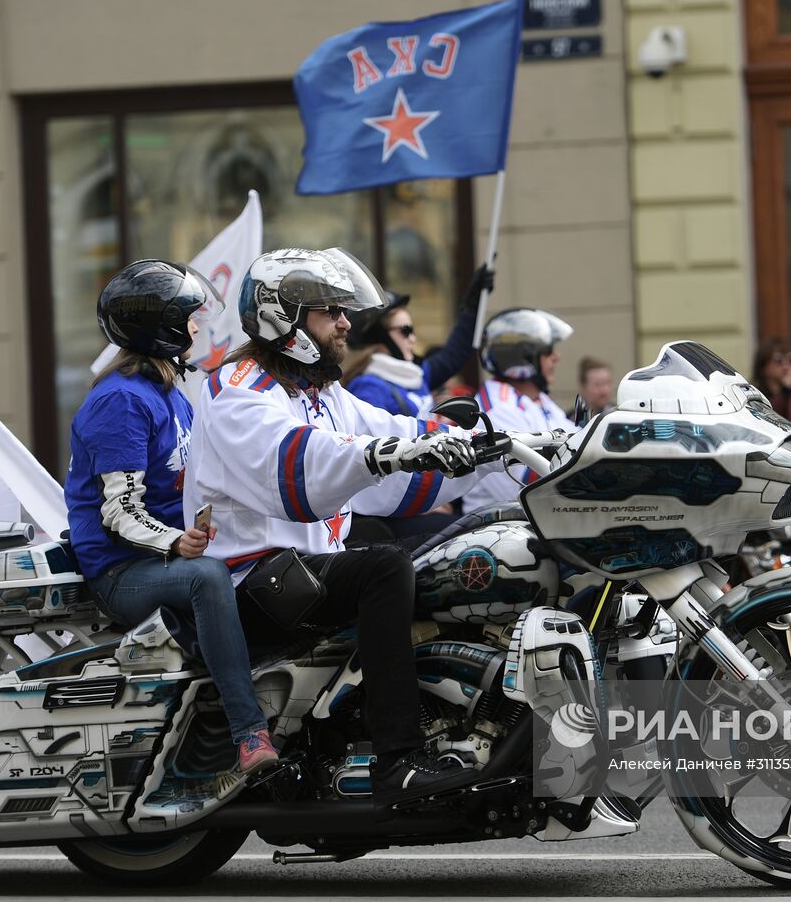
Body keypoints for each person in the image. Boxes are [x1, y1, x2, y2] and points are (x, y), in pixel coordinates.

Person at [184, 247, 496, 798]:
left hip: (303, 573)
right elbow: (296, 467)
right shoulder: (238, 387)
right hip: (250, 583)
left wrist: (492, 447)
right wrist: (378, 454)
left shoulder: (322, 393)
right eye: (331, 311)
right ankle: (396, 758)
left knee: (465, 549)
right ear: (285, 317)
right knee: (384, 569)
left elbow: (399, 434)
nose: (347, 322)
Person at [65, 260, 277, 775]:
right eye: (190, 319)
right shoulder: (119, 401)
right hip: (121, 571)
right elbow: (119, 510)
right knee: (207, 576)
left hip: (161, 556)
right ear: (161, 329)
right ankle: (249, 732)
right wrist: (178, 542)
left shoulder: (168, 393)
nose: (199, 328)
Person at [460, 307, 575, 513]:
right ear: (523, 358)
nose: (556, 357)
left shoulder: (537, 400)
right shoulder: (496, 410)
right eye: (548, 351)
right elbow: (523, 488)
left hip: (541, 519)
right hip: (499, 526)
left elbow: (577, 440)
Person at [342, 265, 494, 417]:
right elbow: (372, 438)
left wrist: (473, 305)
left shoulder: (413, 375)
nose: (413, 339)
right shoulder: (368, 388)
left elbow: (453, 356)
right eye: (405, 331)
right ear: (379, 337)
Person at [574, 355, 615, 426]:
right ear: (583, 388)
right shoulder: (571, 421)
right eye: (598, 385)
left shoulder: (620, 417)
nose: (604, 390)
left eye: (607, 383)